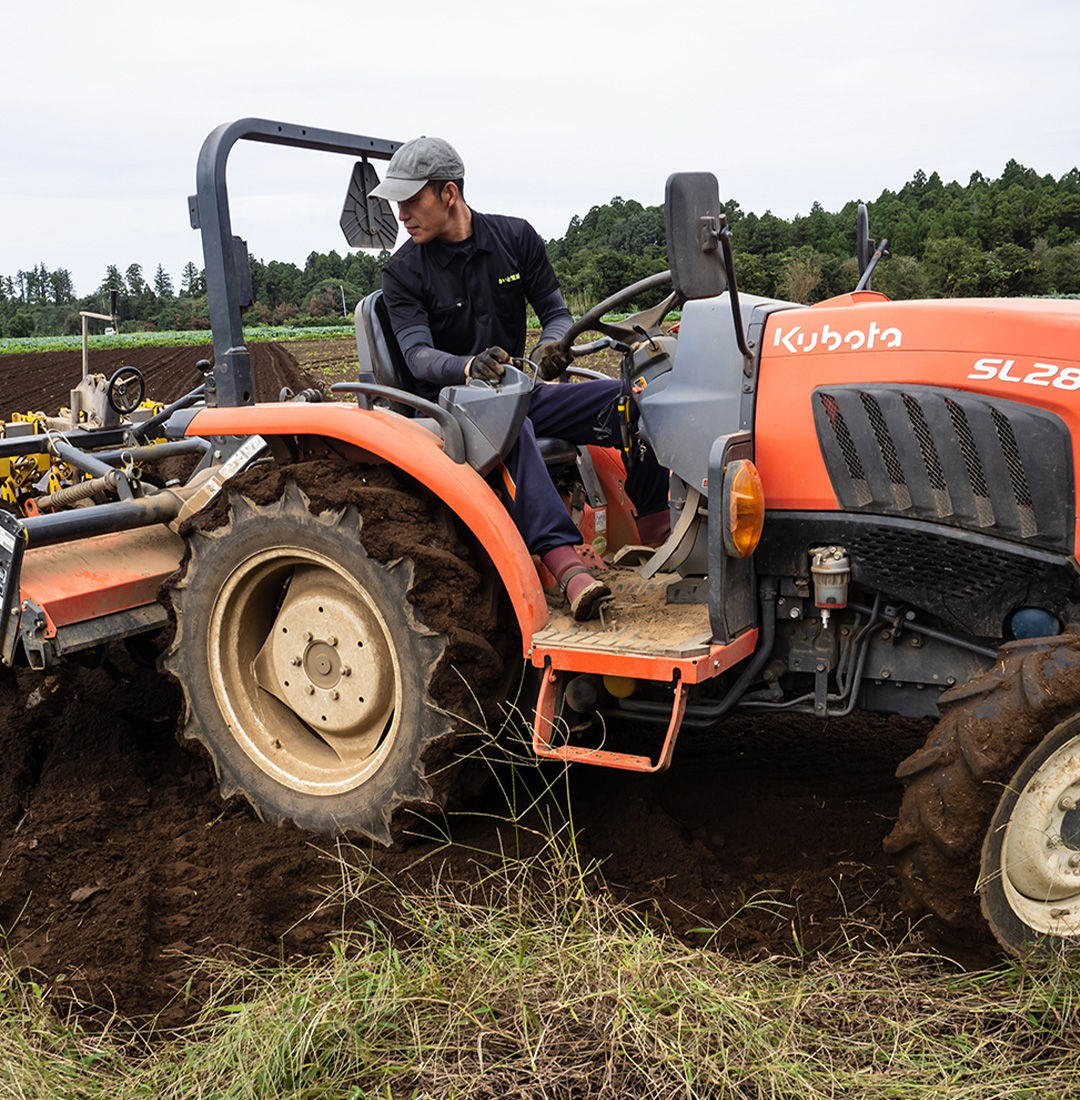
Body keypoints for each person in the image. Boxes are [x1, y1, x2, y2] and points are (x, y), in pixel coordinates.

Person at [371, 136, 669, 621]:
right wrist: (468, 366)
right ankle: (567, 566)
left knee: (636, 400)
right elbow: (419, 356)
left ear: (449, 194)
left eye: (410, 199)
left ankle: (657, 532)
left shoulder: (515, 239)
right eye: (397, 202)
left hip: (518, 389)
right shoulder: (403, 271)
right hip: (449, 409)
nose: (401, 213)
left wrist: (554, 345)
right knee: (509, 426)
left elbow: (555, 312)